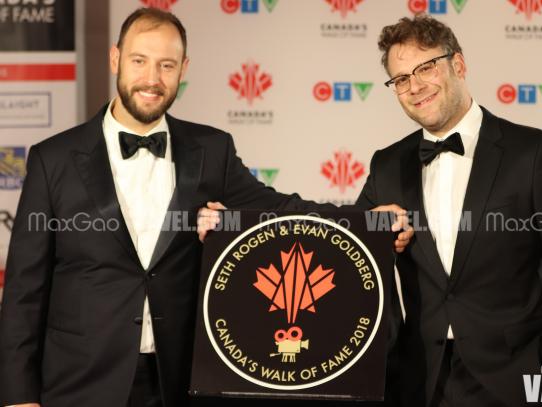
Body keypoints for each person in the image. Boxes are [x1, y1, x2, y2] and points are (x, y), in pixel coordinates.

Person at [0, 8, 412, 407]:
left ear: (183, 69)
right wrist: (19, 397)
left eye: (166, 65)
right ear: (115, 59)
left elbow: (281, 210)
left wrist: (367, 224)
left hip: (181, 380)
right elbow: (23, 293)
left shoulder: (211, 150)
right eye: (139, 61)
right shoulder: (52, 159)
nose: (152, 78)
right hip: (79, 382)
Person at [354, 15, 542, 407]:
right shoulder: (386, 165)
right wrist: (374, 234)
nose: (414, 86)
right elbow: (353, 259)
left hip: (517, 382)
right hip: (417, 383)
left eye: (426, 67)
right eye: (401, 79)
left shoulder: (533, 153)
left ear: (458, 65)